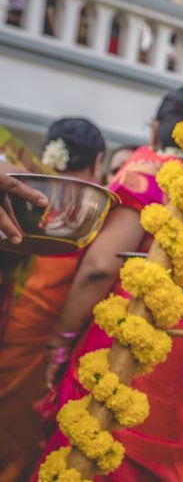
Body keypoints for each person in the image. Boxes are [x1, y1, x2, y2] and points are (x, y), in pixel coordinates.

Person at [35, 88, 183, 481]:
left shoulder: (146, 176)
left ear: (156, 129)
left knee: (95, 449)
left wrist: (60, 341)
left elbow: (99, 268)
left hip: (133, 352)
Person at [0, 118, 104, 482]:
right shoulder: (93, 212)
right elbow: (97, 272)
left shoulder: (20, 195)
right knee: (22, 428)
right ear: (98, 161)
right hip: (45, 338)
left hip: (15, 323)